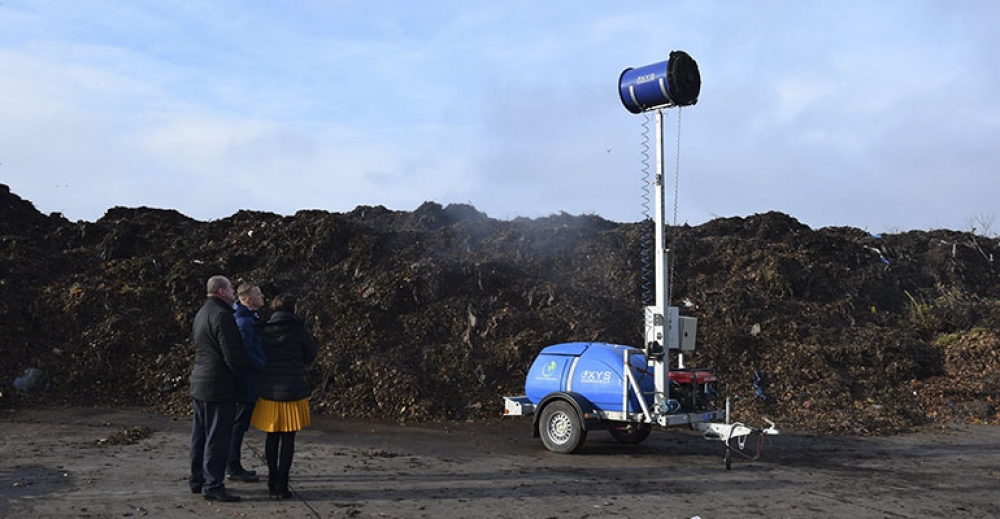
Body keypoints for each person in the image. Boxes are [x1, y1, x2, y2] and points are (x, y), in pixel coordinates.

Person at [250, 293, 317, 499]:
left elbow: (257, 354)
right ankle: (283, 484)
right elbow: (310, 355)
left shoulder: (263, 330)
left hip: (269, 390)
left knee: (272, 437)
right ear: (293, 308)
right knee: (288, 439)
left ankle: (271, 483)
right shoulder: (299, 330)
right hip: (293, 391)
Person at [188, 275, 247, 502]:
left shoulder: (202, 313)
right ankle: (213, 485)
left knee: (200, 435)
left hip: (200, 383)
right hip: (219, 385)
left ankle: (197, 480)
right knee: (218, 437)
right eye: (231, 288)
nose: (234, 292)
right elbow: (232, 354)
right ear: (222, 291)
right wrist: (241, 381)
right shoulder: (223, 316)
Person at [226, 282, 267, 483]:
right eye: (258, 294)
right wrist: (262, 365)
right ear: (248, 299)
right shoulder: (245, 322)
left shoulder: (248, 319)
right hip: (247, 382)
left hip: (248, 380)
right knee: (238, 424)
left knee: (239, 424)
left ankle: (233, 465)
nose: (263, 297)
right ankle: (232, 466)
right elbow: (245, 352)